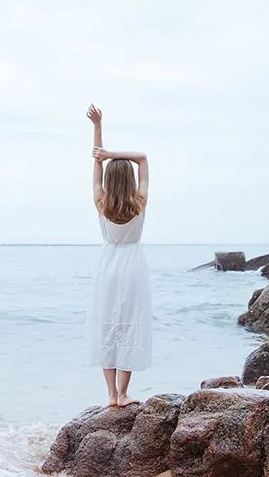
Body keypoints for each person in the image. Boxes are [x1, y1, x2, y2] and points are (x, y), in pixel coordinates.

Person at [85, 104, 153, 407]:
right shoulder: (139, 200)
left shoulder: (101, 201)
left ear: (110, 182)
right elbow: (143, 158)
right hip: (133, 266)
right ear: (130, 180)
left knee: (107, 325)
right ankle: (124, 393)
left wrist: (97, 127)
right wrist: (113, 154)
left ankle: (111, 395)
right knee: (130, 324)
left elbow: (95, 161)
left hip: (108, 265)